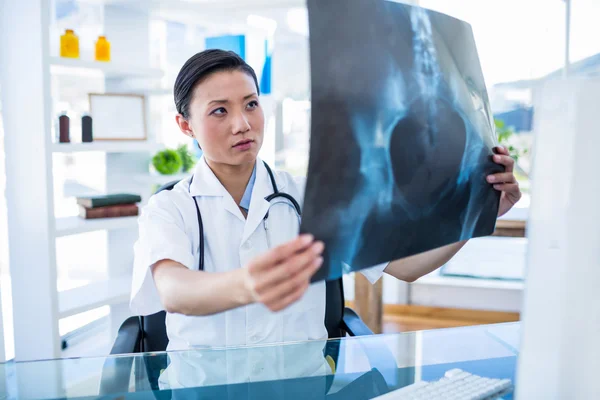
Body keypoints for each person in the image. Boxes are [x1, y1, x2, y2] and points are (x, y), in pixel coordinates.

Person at [130, 49, 522, 352]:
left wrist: (479, 211)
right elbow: (174, 292)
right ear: (185, 125)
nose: (243, 124)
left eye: (251, 104)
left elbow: (407, 265)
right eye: (219, 111)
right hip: (204, 388)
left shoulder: (312, 196)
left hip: (302, 385)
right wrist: (249, 284)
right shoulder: (169, 208)